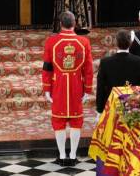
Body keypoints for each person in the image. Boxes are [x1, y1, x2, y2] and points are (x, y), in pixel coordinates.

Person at [42, 11, 93, 167]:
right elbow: (88, 68)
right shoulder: (84, 42)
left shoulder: (51, 41)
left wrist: (46, 89)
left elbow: (47, 68)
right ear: (75, 24)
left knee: (59, 120)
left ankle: (62, 155)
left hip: (58, 86)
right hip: (77, 85)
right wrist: (88, 89)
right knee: (76, 121)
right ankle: (72, 155)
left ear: (60, 24)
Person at [96, 30, 140, 113]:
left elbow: (100, 87)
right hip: (133, 106)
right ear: (130, 43)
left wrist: (100, 108)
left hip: (112, 106)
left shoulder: (105, 62)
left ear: (115, 43)